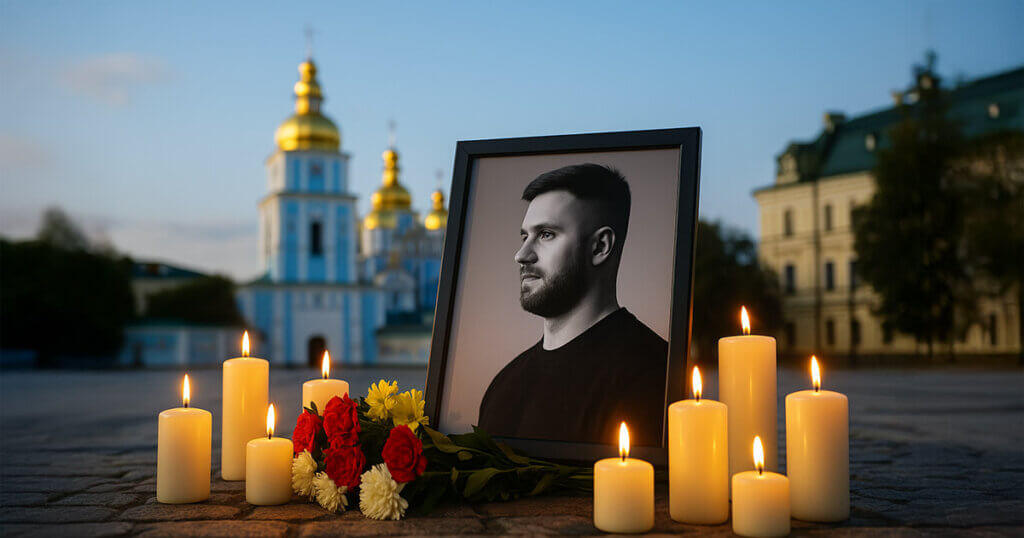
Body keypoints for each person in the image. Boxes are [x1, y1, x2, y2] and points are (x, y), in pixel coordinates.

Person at [478, 163, 668, 446]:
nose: (521, 254)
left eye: (545, 235)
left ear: (600, 246)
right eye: (524, 236)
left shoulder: (654, 374)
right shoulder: (503, 385)